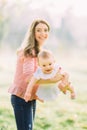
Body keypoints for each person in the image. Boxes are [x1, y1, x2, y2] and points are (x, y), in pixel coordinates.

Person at [8, 19, 63, 130]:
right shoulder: (30, 51)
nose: (43, 33)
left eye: (45, 30)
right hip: (21, 97)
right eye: (38, 30)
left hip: (29, 97)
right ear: (32, 32)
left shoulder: (40, 51)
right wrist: (52, 80)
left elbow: (41, 75)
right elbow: (29, 78)